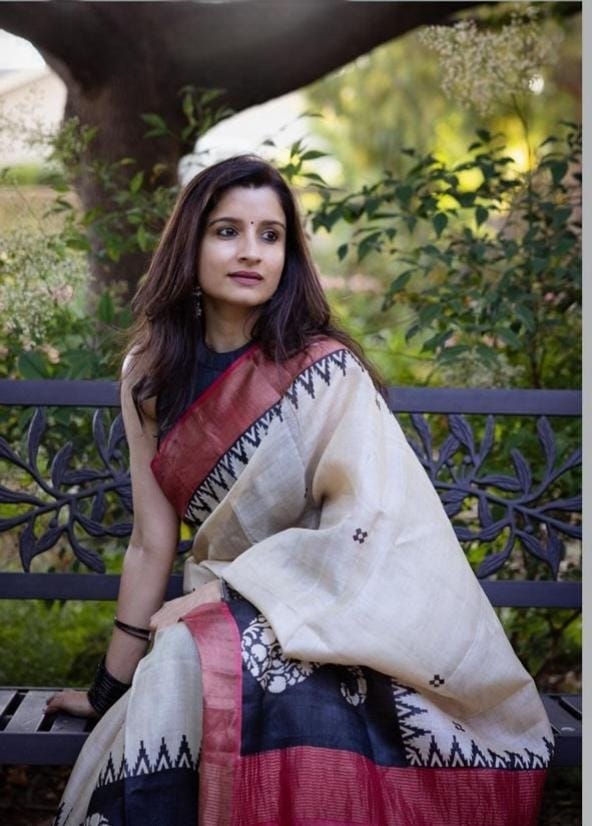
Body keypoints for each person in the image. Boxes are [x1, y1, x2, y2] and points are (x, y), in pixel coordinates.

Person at [48, 155, 553, 826]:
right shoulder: (149, 373)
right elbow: (150, 540)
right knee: (185, 657)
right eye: (227, 231)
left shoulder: (323, 372)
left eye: (271, 235)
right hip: (217, 615)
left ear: (288, 254)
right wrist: (109, 688)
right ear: (190, 243)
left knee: (213, 659)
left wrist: (227, 593)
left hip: (333, 615)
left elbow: (370, 522)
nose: (250, 251)